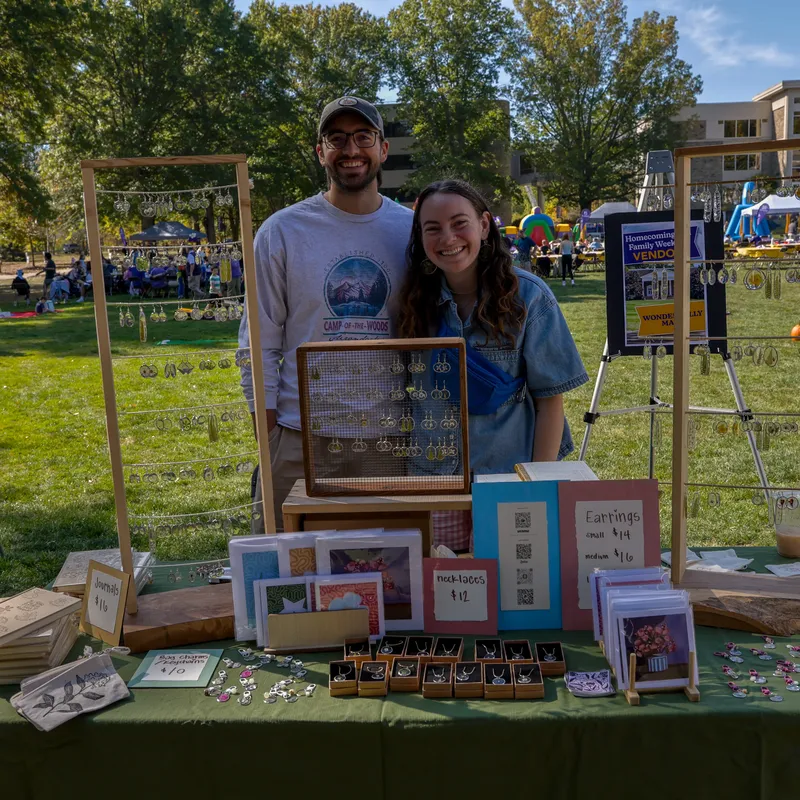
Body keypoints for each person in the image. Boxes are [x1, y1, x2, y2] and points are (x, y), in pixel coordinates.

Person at [238, 96, 413, 530]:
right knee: (283, 573)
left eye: (363, 137)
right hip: (301, 438)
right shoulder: (282, 230)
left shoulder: (411, 229)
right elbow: (258, 341)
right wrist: (271, 436)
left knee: (388, 577)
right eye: (336, 139)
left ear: (383, 149)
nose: (351, 150)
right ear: (321, 152)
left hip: (389, 438)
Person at [396, 179, 588, 477]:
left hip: (506, 478)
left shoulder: (530, 297)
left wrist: (533, 484)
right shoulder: (412, 302)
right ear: (420, 237)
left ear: (484, 225)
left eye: (459, 223)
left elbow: (550, 403)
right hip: (431, 480)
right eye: (432, 228)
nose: (448, 238)